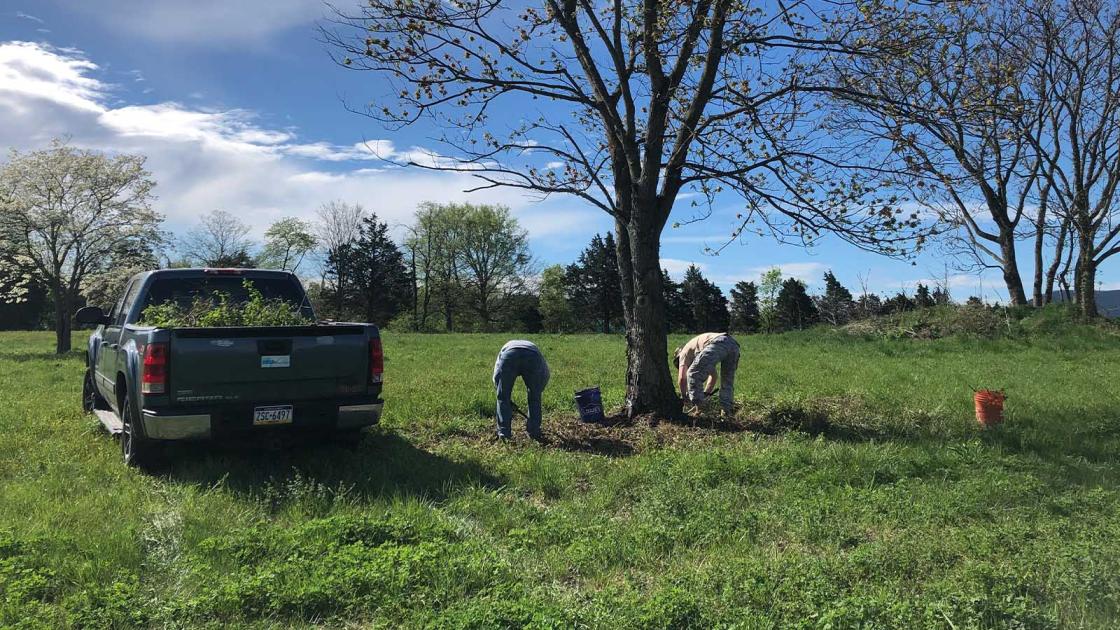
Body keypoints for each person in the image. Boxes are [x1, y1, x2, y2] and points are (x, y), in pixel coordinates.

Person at [493, 339, 550, 440]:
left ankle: (504, 434)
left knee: (503, 397)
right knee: (534, 396)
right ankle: (534, 432)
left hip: (509, 355)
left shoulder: (505, 349)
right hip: (532, 356)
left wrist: (502, 396)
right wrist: (536, 391)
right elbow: (545, 375)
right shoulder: (535, 351)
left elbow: (497, 376)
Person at [673, 332, 740, 414]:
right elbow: (713, 377)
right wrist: (706, 393)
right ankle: (726, 411)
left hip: (717, 342)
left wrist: (684, 398)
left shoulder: (683, 353)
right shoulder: (699, 353)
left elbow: (682, 378)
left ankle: (699, 411)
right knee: (727, 382)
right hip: (733, 344)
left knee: (693, 374)